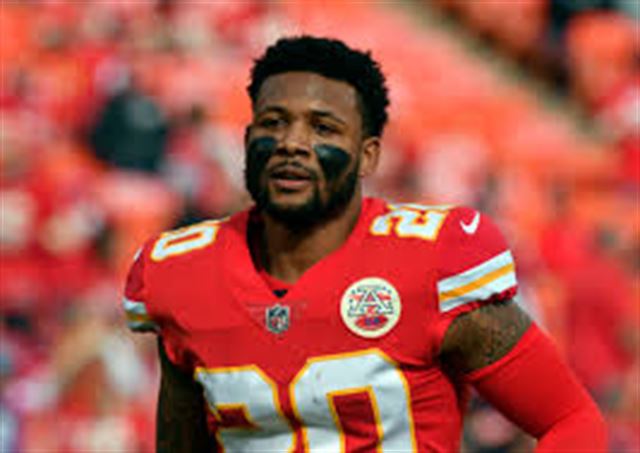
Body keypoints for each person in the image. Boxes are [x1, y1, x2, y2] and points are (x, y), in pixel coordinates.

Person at [123, 36, 606, 452]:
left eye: (323, 127)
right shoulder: (182, 275)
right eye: (273, 122)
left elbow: (571, 420)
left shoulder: (430, 263)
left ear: (367, 155)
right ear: (248, 140)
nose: (292, 142)